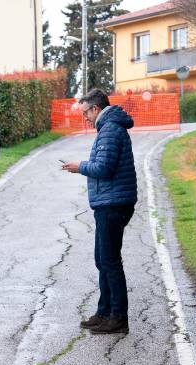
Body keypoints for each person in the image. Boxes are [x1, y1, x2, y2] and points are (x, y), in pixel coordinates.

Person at [62, 89, 137, 334]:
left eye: (85, 112)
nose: (84, 117)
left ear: (95, 109)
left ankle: (118, 317)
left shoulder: (110, 129)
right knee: (102, 259)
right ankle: (104, 311)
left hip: (113, 204)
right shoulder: (109, 128)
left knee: (110, 261)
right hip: (110, 202)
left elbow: (103, 168)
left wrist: (79, 167)